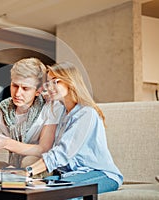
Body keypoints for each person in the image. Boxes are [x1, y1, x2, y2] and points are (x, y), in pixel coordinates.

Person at [24, 61, 123, 194]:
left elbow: (62, 153)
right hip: (72, 175)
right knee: (29, 189)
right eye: (48, 83)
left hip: (101, 175)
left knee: (59, 193)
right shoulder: (63, 114)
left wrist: (28, 171)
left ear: (70, 82)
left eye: (56, 81)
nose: (50, 87)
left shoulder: (86, 113)